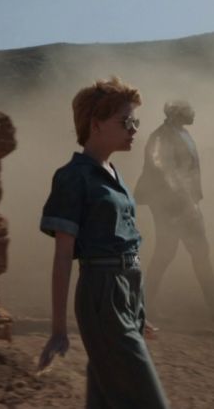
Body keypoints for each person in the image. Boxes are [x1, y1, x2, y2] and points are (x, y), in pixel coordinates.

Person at [38, 77, 169, 408]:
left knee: (106, 398)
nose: (134, 128)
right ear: (95, 124)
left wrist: (137, 310)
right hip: (101, 295)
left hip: (126, 292)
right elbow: (62, 257)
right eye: (126, 121)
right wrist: (58, 330)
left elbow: (123, 244)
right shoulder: (73, 177)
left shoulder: (114, 174)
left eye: (135, 121)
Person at [134, 100, 214, 321]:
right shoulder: (163, 136)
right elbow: (165, 172)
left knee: (176, 253)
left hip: (180, 203)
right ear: (177, 114)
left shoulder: (177, 133)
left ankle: (146, 304)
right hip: (172, 205)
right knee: (179, 252)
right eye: (188, 110)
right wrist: (186, 204)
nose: (193, 113)